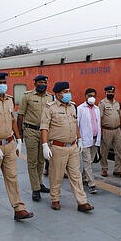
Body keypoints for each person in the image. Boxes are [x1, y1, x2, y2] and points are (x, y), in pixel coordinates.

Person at [0, 72, 33, 221]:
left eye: (4, 82)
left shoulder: (9, 100)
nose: (3, 84)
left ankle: (18, 208)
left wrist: (19, 139)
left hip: (9, 144)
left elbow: (13, 121)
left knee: (12, 177)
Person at [40, 81, 94, 212]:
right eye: (65, 92)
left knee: (76, 175)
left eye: (68, 91)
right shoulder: (50, 108)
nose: (68, 94)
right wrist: (45, 145)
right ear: (57, 94)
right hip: (58, 147)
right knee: (56, 175)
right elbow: (44, 128)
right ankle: (55, 199)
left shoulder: (72, 106)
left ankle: (82, 202)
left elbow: (75, 124)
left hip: (73, 147)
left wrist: (79, 139)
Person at [17, 75, 51, 202]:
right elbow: (20, 116)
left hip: (44, 132)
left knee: (41, 160)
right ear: (35, 83)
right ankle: (35, 189)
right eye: (40, 82)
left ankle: (39, 183)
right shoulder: (27, 96)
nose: (43, 84)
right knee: (32, 161)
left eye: (44, 82)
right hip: (30, 131)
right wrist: (19, 135)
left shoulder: (50, 97)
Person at [77, 88, 101, 194]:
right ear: (85, 96)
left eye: (94, 96)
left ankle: (83, 178)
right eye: (90, 96)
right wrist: (78, 139)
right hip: (85, 140)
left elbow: (98, 123)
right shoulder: (80, 109)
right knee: (87, 162)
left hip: (95, 139)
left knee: (89, 162)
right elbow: (76, 125)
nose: (92, 98)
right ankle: (92, 184)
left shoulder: (97, 109)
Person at [98, 85, 121, 178]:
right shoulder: (102, 104)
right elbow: (100, 118)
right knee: (104, 151)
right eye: (109, 92)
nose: (111, 94)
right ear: (105, 93)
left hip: (117, 130)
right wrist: (100, 131)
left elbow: (120, 116)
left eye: (112, 92)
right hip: (106, 130)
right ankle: (104, 169)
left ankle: (118, 170)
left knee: (119, 150)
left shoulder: (117, 103)